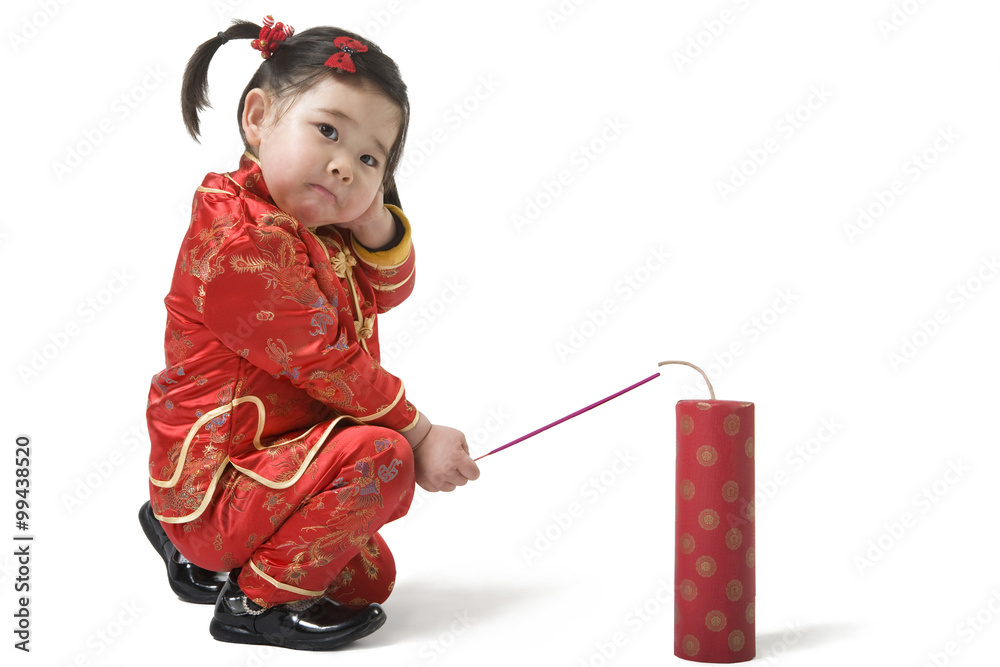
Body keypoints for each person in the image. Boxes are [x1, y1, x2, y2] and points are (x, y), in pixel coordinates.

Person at [139, 15, 480, 651]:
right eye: (327, 130)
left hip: (280, 458)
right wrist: (423, 434)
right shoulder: (244, 242)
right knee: (385, 460)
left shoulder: (315, 224)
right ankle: (249, 601)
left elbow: (392, 289)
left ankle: (198, 544)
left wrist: (373, 216)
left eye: (369, 157)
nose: (344, 165)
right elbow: (328, 362)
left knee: (368, 581)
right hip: (226, 470)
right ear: (259, 117)